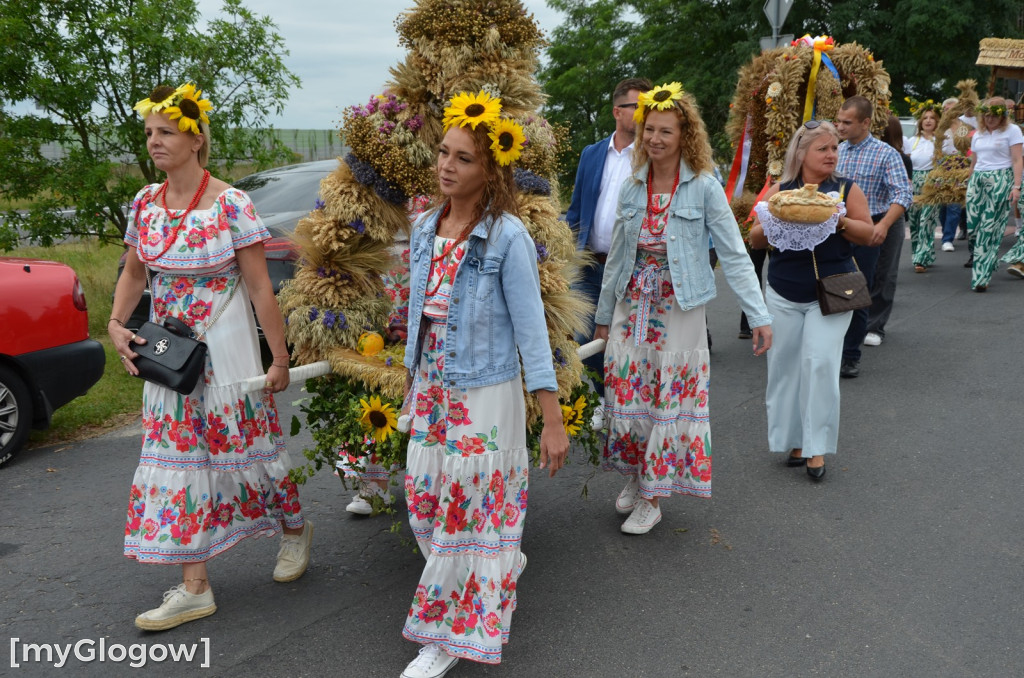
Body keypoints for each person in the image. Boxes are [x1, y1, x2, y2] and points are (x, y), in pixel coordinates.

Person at [110, 83, 312, 631]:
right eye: (150, 132)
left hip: (225, 346)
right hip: (168, 352)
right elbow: (134, 272)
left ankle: (294, 531)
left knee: (247, 448)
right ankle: (195, 586)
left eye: (166, 132)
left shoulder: (230, 203)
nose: (154, 141)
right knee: (176, 462)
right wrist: (115, 324)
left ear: (195, 139)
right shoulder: (146, 204)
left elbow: (259, 288)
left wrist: (278, 359)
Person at [398, 90, 569, 678]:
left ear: (491, 168)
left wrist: (551, 419)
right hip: (433, 388)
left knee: (465, 513)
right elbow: (420, 318)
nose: (447, 165)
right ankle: (494, 563)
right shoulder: (424, 229)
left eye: (463, 158)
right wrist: (411, 385)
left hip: (485, 392)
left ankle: (450, 634)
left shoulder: (507, 238)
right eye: (444, 153)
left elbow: (532, 334)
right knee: (423, 500)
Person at [593, 83, 772, 535]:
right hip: (631, 306)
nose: (654, 138)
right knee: (628, 397)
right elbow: (616, 256)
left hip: (679, 310)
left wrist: (760, 315)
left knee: (663, 400)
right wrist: (602, 313)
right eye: (649, 128)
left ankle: (653, 495)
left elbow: (734, 253)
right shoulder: (633, 186)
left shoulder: (705, 187)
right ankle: (637, 477)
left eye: (665, 131)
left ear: (684, 135)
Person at [748, 121, 875, 479]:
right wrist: (776, 218)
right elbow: (755, 239)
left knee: (819, 363)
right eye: (823, 149)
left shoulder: (846, 189)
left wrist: (839, 222)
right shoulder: (781, 190)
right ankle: (795, 441)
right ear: (801, 153)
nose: (831, 155)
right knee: (785, 368)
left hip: (833, 293)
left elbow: (869, 234)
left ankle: (816, 448)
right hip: (783, 292)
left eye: (834, 148)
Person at [566, 77, 652, 404]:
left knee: (628, 343)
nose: (646, 115)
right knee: (587, 341)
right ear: (618, 111)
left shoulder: (651, 155)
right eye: (638, 107)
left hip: (631, 268)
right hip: (589, 266)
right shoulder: (591, 153)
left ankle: (630, 408)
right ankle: (608, 401)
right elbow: (576, 210)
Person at [834, 96, 913, 373]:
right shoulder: (836, 151)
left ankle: (852, 353)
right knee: (839, 283)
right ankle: (837, 343)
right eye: (838, 121)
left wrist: (883, 225)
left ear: (865, 123)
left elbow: (903, 193)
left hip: (876, 223)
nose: (840, 127)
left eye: (847, 122)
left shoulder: (885, 153)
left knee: (867, 283)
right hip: (840, 225)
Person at [964, 97, 1023, 290]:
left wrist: (1016, 187)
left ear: (1003, 116)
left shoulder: (1012, 131)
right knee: (972, 227)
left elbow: (1017, 160)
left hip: (1001, 178)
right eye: (986, 115)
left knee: (988, 227)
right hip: (978, 179)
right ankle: (987, 259)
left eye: (994, 116)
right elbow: (974, 161)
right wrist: (968, 181)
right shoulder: (978, 134)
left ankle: (980, 278)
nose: (990, 119)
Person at [904, 103, 941, 271]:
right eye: (925, 118)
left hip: (932, 181)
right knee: (915, 220)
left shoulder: (941, 141)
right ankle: (921, 252)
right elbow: (906, 163)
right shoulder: (911, 141)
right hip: (914, 181)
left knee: (927, 219)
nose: (928, 121)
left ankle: (921, 258)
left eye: (932, 118)